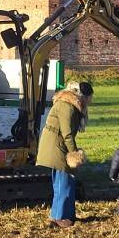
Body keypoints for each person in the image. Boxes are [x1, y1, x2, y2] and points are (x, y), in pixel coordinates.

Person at [36, 80, 93, 227]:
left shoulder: (67, 104)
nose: (90, 102)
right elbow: (67, 134)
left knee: (64, 182)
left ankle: (63, 215)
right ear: (83, 97)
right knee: (64, 182)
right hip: (57, 147)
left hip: (57, 146)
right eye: (89, 98)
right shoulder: (67, 107)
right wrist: (74, 153)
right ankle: (60, 217)